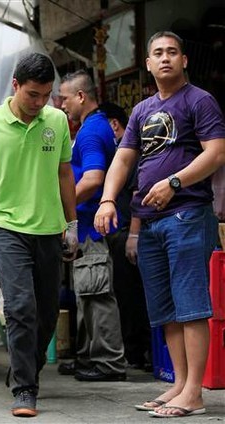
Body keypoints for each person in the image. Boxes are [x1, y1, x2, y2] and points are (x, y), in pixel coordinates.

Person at [94, 31, 225, 418]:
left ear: (184, 60)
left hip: (186, 214)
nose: (165, 58)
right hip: (150, 222)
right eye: (157, 53)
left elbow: (216, 153)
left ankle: (195, 394)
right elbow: (122, 160)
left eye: (172, 52)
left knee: (191, 306)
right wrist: (106, 199)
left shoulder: (200, 101)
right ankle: (180, 385)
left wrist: (174, 182)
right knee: (165, 309)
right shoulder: (141, 110)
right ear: (148, 64)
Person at [0, 52, 78, 417]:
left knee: (46, 312)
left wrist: (71, 223)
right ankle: (25, 388)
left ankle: (24, 368)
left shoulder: (57, 120)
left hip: (48, 228)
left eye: (46, 95)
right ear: (15, 85)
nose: (39, 103)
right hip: (5, 227)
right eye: (32, 94)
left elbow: (64, 174)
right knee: (20, 308)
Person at [57, 70, 127, 382]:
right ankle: (88, 357)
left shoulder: (89, 132)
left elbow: (94, 179)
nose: (62, 106)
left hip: (93, 229)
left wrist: (61, 205)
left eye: (65, 98)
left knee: (97, 296)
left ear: (81, 96)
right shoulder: (92, 127)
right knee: (87, 294)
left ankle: (108, 363)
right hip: (84, 228)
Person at [98, 101, 151, 370]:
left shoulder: (132, 154)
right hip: (125, 232)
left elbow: (138, 194)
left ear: (114, 125)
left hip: (129, 234)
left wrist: (133, 235)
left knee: (132, 296)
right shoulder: (120, 154)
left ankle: (137, 352)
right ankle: (136, 352)